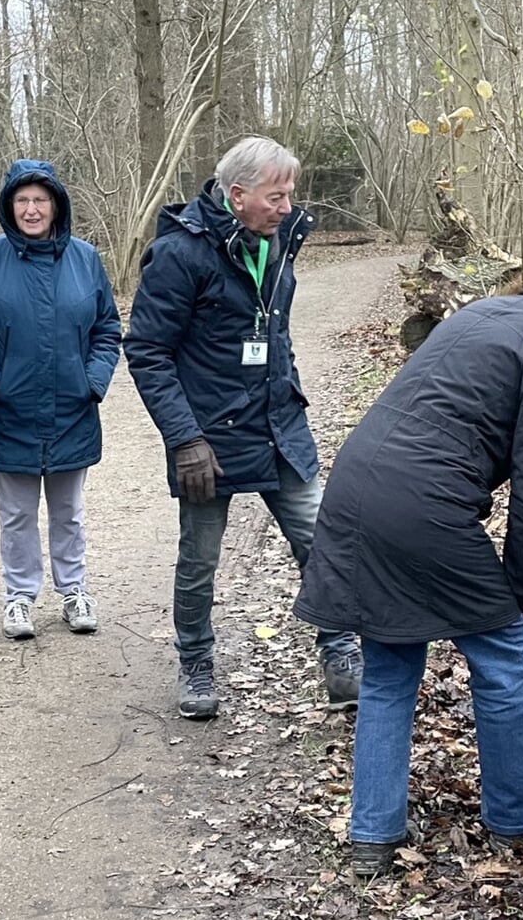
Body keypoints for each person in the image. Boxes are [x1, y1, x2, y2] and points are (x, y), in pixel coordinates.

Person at [290, 244, 523, 878]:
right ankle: (519, 816)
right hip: (422, 504)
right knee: (501, 654)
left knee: (389, 665)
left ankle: (373, 834)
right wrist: (520, 598)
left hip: (357, 486)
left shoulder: (496, 312)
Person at [124, 136, 360, 720]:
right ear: (236, 196)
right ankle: (197, 662)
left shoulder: (276, 240)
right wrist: (184, 440)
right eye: (276, 196)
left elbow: (272, 333)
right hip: (209, 439)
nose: (287, 207)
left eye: (289, 196)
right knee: (200, 560)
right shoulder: (179, 254)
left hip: (279, 425)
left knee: (320, 542)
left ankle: (341, 655)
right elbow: (148, 352)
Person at [0, 160, 122, 640]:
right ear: (9, 207)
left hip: (73, 406)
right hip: (8, 409)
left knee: (68, 511)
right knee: (16, 515)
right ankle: (19, 597)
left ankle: (74, 591)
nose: (32, 209)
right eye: (22, 200)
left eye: (41, 200)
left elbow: (107, 330)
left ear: (57, 205)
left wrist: (92, 382)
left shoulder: (85, 258)